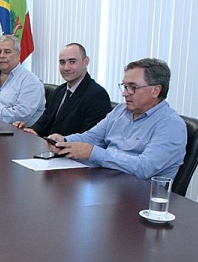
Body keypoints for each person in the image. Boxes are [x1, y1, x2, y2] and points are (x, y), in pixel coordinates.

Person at [49, 58, 186, 180]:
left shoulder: (171, 125)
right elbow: (93, 137)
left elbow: (144, 168)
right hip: (106, 183)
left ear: (155, 91)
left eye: (133, 87)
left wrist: (93, 153)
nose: (125, 93)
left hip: (138, 197)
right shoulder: (121, 111)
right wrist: (65, 141)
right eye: (124, 86)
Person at [13, 43, 112, 136]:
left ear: (85, 62)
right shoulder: (60, 91)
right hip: (48, 148)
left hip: (69, 151)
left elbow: (90, 138)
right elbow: (44, 122)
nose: (66, 67)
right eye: (62, 62)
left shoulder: (97, 95)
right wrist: (30, 130)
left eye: (72, 62)